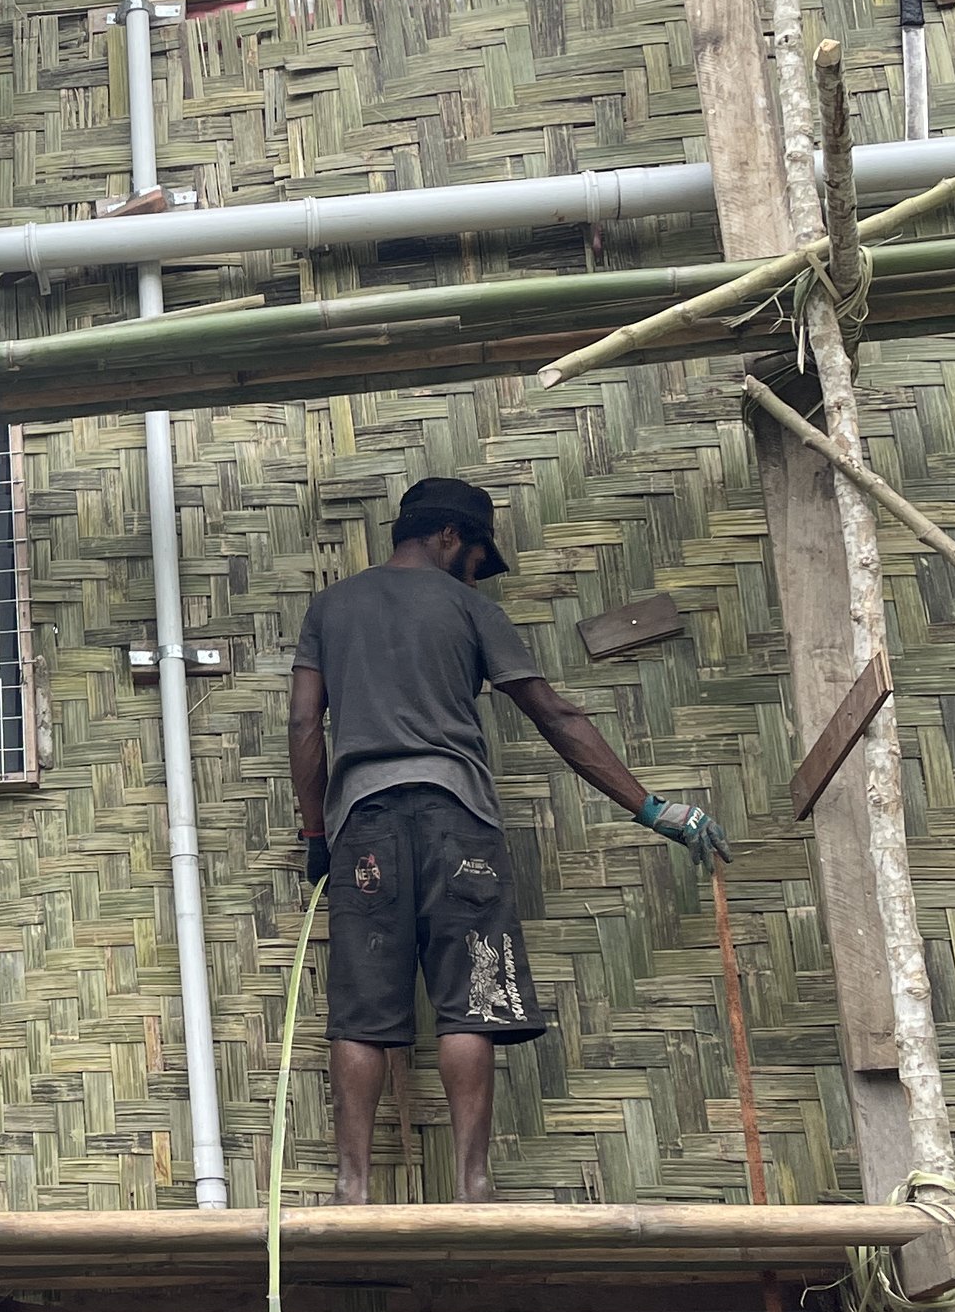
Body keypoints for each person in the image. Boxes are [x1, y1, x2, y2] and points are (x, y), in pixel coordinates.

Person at [287, 475, 727, 1205]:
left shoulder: (330, 608)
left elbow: (305, 725)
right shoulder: (469, 608)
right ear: (451, 537)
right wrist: (653, 808)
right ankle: (474, 1185)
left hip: (363, 826)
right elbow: (555, 715)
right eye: (477, 556)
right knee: (469, 1000)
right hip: (459, 820)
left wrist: (315, 833)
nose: (476, 572)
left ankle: (350, 1188)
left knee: (362, 1008)